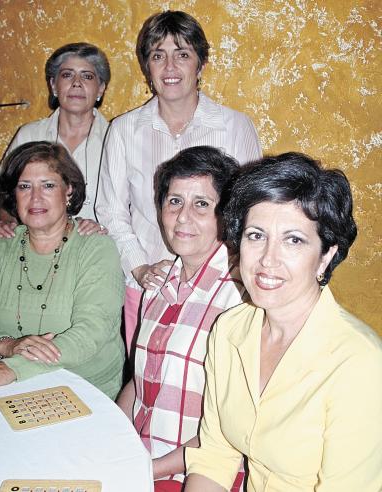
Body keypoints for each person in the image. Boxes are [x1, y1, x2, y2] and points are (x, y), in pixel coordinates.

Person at [185, 152, 382, 491]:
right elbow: (215, 456)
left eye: (294, 240)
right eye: (256, 235)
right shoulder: (229, 330)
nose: (267, 260)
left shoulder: (359, 362)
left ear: (326, 256)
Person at [95, 10, 262, 354]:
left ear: (200, 65)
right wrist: (140, 268)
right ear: (147, 67)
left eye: (182, 54)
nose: (170, 67)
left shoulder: (234, 126)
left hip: (221, 292)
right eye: (158, 55)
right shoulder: (124, 130)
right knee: (149, 386)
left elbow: (252, 211)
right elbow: (109, 210)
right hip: (145, 287)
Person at [117, 146, 247, 492]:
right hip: (141, 464)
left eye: (202, 204)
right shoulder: (158, 285)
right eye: (174, 201)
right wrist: (112, 438)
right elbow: (140, 385)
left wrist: (149, 469)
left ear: (228, 214)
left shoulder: (241, 297)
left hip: (198, 475)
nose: (183, 217)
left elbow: (236, 428)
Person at [0, 142, 125, 399]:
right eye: (25, 186)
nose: (35, 197)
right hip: (8, 387)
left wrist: (13, 368)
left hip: (84, 390)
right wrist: (7, 345)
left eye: (48, 185)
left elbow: (91, 333)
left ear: (68, 191)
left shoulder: (96, 247)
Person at [0, 42, 110, 238]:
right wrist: (5, 222)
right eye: (67, 75)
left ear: (100, 89)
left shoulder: (116, 138)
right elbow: (7, 196)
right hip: (35, 246)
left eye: (87, 76)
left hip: (96, 250)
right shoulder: (29, 135)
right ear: (54, 85)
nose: (77, 83)